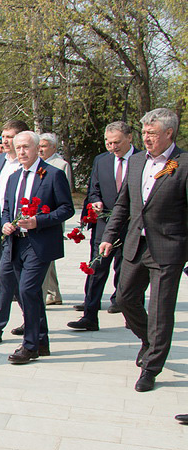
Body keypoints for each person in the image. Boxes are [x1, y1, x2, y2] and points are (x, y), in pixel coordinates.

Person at [100, 108, 188, 393]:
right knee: (125, 300)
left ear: (168, 133)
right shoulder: (137, 162)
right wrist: (109, 236)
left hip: (168, 248)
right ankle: (150, 341)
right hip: (135, 245)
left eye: (152, 133)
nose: (146, 139)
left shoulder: (183, 164)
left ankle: (151, 367)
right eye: (145, 133)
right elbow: (123, 205)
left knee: (161, 311)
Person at [0, 131, 74, 364]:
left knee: (27, 289)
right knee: (28, 292)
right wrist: (5, 223)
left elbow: (67, 209)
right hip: (17, 242)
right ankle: (42, 340)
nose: (22, 152)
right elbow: (6, 208)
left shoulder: (53, 175)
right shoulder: (14, 177)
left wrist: (39, 221)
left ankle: (30, 346)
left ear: (38, 149)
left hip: (40, 243)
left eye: (26, 147)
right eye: (19, 148)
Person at [68, 122, 135, 331]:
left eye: (116, 142)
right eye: (108, 142)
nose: (112, 146)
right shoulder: (101, 161)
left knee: (128, 271)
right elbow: (93, 189)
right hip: (105, 224)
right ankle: (89, 316)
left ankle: (132, 315)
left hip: (132, 226)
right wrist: (95, 201)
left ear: (129, 138)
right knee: (96, 269)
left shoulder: (141, 160)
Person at [0, 120, 27, 299]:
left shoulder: (26, 161)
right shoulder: (0, 159)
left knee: (14, 266)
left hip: (17, 222)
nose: (5, 141)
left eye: (10, 137)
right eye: (4, 137)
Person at [39, 132, 72, 306]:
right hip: (37, 217)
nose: (41, 149)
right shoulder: (36, 163)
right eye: (40, 145)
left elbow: (64, 193)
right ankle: (53, 292)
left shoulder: (60, 165)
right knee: (46, 258)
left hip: (52, 216)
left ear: (53, 147)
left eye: (44, 146)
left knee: (47, 256)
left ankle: (50, 292)